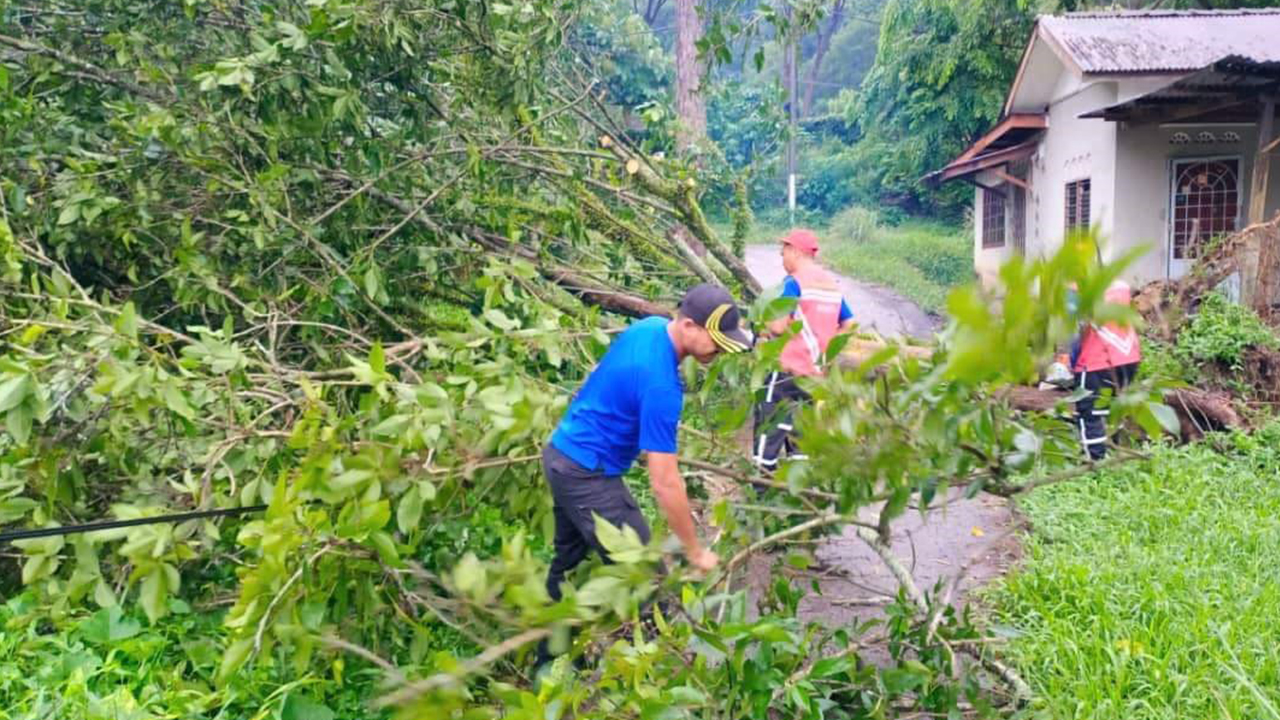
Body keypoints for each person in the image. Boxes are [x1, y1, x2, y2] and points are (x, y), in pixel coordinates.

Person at [536, 284, 752, 666]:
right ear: (688, 325)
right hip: (587, 475)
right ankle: (659, 674)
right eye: (716, 341)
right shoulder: (661, 386)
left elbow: (611, 386)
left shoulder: (650, 328)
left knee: (568, 566)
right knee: (649, 580)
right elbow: (665, 482)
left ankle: (550, 662)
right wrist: (694, 551)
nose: (720, 351)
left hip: (562, 455)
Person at [753, 229, 855, 473]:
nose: (781, 257)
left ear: (796, 252)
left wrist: (762, 327)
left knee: (769, 426)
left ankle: (759, 489)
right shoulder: (831, 285)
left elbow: (778, 326)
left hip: (786, 371)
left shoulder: (794, 282)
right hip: (814, 376)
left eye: (784, 252)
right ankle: (799, 493)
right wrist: (825, 348)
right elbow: (848, 325)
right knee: (802, 432)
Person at [1071, 279, 1142, 460]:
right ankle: (1115, 451)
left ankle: (1096, 462)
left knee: (1089, 413)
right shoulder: (1120, 285)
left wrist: (1071, 365)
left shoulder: (1076, 289)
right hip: (1128, 357)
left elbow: (1071, 328)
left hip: (1097, 360)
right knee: (1112, 407)